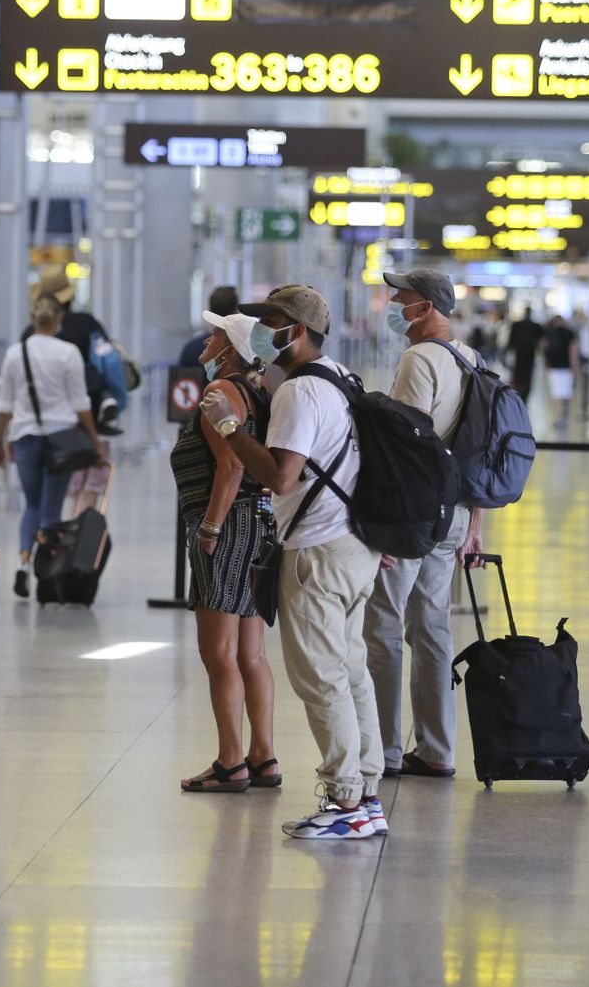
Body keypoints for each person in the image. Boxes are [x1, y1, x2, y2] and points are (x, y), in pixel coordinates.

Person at [202, 285, 386, 840]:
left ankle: (346, 800)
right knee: (352, 673)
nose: (262, 331)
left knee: (321, 678)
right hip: (356, 545)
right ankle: (367, 792)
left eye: (272, 321)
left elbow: (280, 476)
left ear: (297, 331)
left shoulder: (301, 392)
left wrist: (232, 429)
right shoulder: (341, 378)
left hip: (317, 551)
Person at [363, 269, 482, 779]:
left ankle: (387, 751)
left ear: (427, 308)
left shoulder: (419, 359)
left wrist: (383, 525)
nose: (393, 304)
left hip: (413, 516)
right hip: (453, 514)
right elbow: (479, 451)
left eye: (402, 298)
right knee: (432, 628)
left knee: (384, 628)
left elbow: (402, 452)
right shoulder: (473, 360)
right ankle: (437, 749)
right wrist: (476, 522)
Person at [171, 308, 278, 793]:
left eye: (215, 336)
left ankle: (230, 762)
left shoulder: (220, 392)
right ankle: (263, 757)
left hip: (227, 527)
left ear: (232, 347)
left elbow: (231, 466)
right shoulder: (262, 393)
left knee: (218, 653)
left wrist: (211, 527)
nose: (205, 345)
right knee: (252, 654)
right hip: (259, 523)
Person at [0, 292, 107, 599]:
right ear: (58, 319)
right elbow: (81, 404)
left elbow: (4, 405)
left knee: (31, 505)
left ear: (32, 319)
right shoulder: (68, 352)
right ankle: (45, 574)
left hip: (25, 437)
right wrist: (95, 443)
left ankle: (21, 563)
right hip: (61, 439)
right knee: (51, 509)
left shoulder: (15, 354)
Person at [31, 268, 122, 435]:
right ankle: (105, 401)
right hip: (86, 405)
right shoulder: (86, 322)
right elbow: (106, 355)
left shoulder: (31, 334)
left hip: (38, 414)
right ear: (70, 295)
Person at [178, 286, 239, 369]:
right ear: (236, 312)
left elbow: (182, 380)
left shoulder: (191, 349)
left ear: (210, 311)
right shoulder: (241, 349)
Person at [541, 313, 581, 429]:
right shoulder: (568, 333)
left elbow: (544, 347)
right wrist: (575, 364)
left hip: (557, 367)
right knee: (564, 393)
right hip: (563, 367)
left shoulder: (549, 333)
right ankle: (563, 417)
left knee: (558, 394)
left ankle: (560, 417)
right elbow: (573, 349)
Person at [504, 308, 543, 397]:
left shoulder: (518, 325)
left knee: (519, 376)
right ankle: (522, 395)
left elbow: (510, 343)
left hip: (522, 356)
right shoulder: (534, 326)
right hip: (528, 356)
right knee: (526, 378)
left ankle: (519, 395)